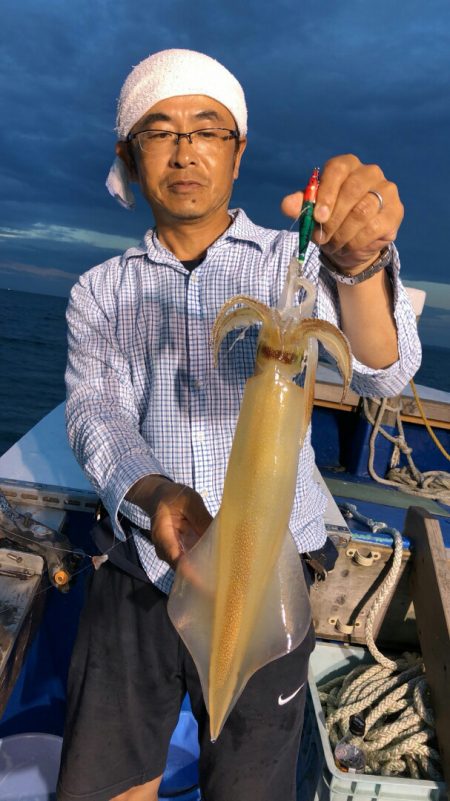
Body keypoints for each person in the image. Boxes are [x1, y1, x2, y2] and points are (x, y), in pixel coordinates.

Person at [57, 48, 421, 801]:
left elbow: (385, 368)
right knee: (104, 786)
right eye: (160, 131)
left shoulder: (296, 266)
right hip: (146, 567)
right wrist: (153, 491)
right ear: (130, 153)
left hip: (272, 579)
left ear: (238, 149)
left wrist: (356, 264)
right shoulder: (99, 291)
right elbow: (97, 412)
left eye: (208, 129)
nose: (186, 148)